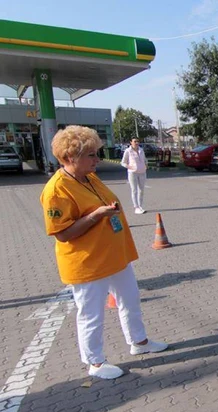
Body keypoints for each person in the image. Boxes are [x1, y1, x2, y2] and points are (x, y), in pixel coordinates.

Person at [40, 126, 168, 380]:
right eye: (90, 155)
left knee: (130, 299)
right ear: (68, 158)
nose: (96, 159)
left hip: (114, 256)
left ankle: (139, 342)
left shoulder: (89, 176)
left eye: (96, 153)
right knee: (91, 313)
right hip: (87, 262)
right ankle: (95, 362)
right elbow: (63, 234)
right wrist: (96, 215)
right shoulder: (57, 190)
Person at [120, 137, 147, 214]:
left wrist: (146, 165)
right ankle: (136, 207)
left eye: (138, 141)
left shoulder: (141, 150)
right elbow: (123, 162)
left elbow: (144, 159)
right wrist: (130, 167)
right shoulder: (128, 151)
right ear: (131, 142)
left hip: (142, 172)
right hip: (133, 173)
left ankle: (140, 206)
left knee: (141, 190)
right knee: (134, 190)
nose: (137, 143)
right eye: (135, 141)